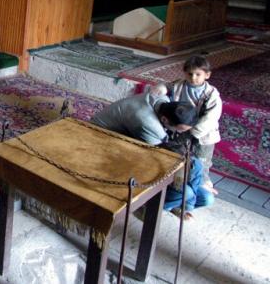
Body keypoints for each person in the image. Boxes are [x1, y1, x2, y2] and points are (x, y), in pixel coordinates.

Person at [90, 87, 213, 220]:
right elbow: (163, 157)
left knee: (206, 198)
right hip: (104, 146)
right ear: (165, 120)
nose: (181, 133)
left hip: (128, 142)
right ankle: (145, 208)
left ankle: (180, 203)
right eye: (180, 129)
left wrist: (199, 179)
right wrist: (193, 179)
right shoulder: (148, 123)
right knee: (187, 191)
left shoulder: (163, 101)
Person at [170, 55, 223, 194]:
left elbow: (211, 118)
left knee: (202, 161)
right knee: (178, 155)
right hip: (181, 130)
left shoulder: (211, 95)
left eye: (198, 74)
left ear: (207, 75)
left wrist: (193, 129)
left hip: (204, 134)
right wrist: (161, 88)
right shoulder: (179, 86)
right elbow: (167, 87)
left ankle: (202, 184)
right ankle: (178, 185)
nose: (193, 77)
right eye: (190, 74)